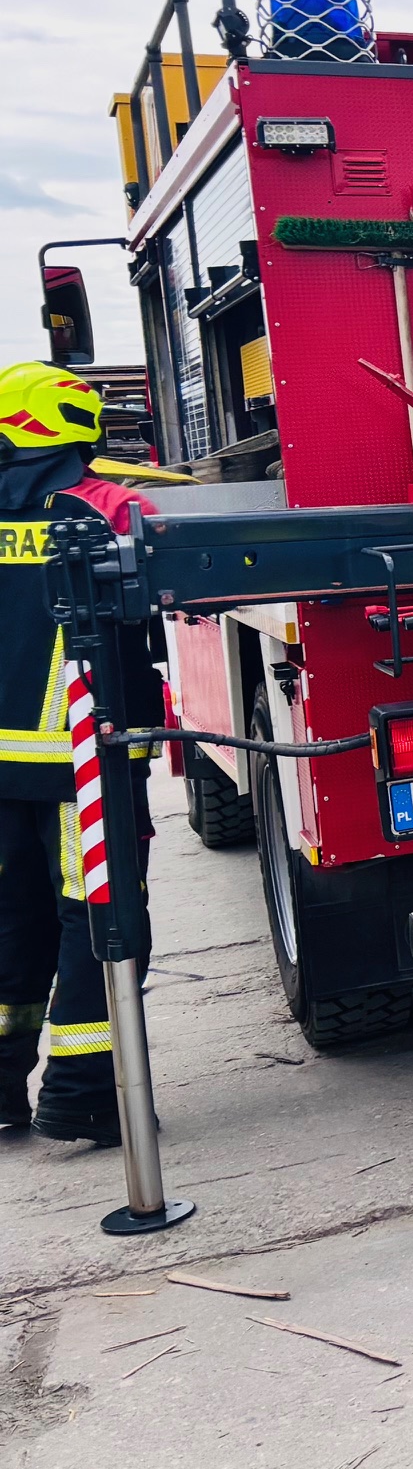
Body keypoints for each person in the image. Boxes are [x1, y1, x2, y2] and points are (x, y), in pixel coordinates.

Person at [0, 364, 161, 1141]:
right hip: (82, 766)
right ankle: (84, 1092)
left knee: (12, 923)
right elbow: (171, 596)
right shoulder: (110, 509)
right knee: (100, 920)